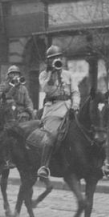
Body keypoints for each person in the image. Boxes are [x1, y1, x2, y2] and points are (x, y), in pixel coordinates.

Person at [36, 45, 80, 179]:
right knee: (52, 136)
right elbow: (47, 89)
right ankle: (44, 166)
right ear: (48, 61)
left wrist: (75, 105)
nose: (56, 60)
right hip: (53, 112)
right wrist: (52, 74)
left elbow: (75, 92)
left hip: (68, 110)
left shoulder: (69, 75)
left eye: (58, 58)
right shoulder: (44, 75)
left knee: (84, 131)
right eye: (52, 58)